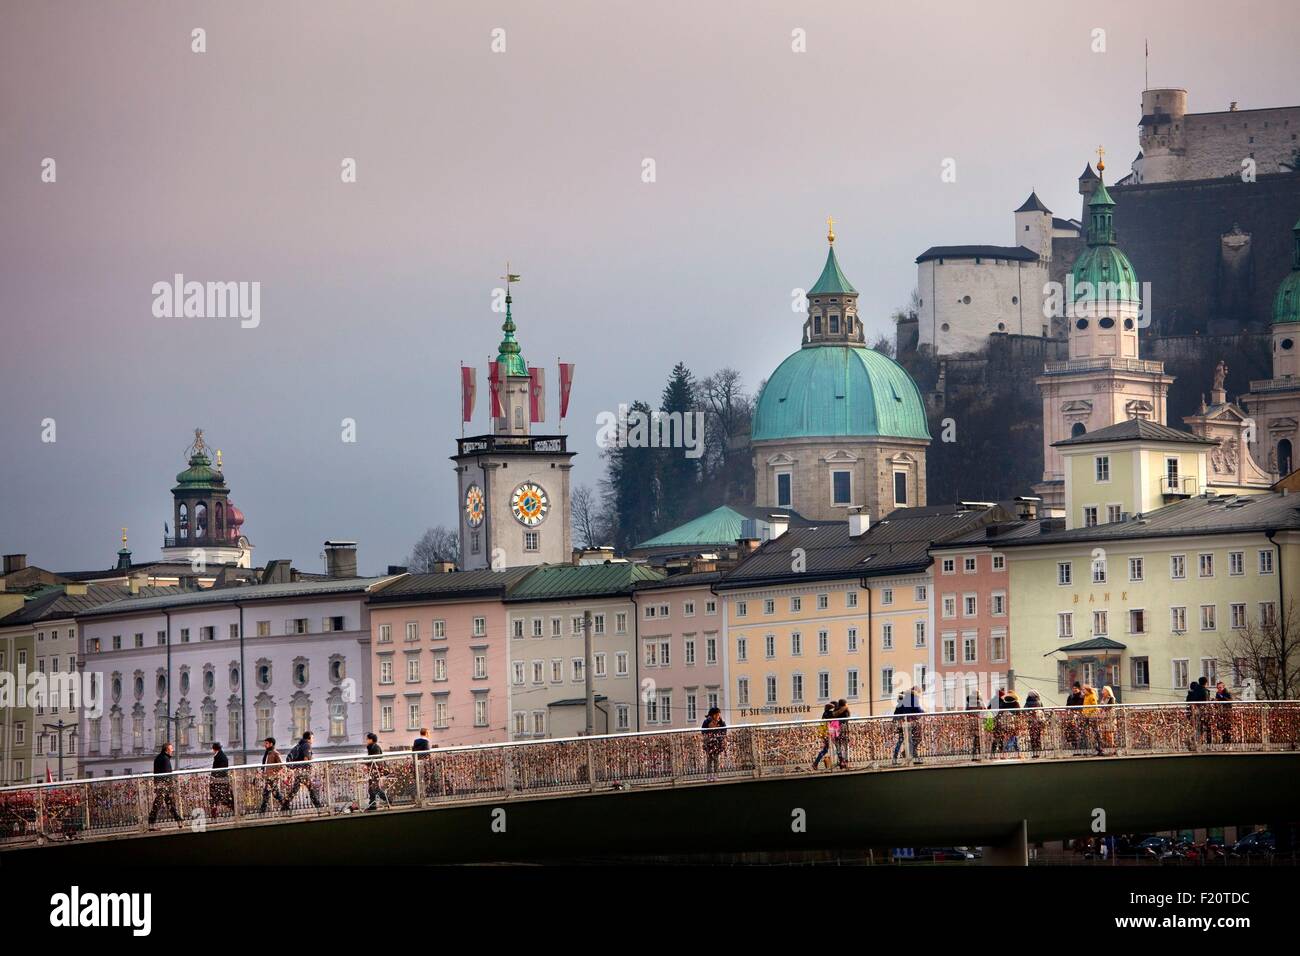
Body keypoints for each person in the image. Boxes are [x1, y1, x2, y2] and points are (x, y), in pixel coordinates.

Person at [283, 731, 324, 810]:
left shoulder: (300, 744)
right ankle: (319, 807)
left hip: (298, 770)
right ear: (309, 738)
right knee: (311, 789)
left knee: (296, 789)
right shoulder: (307, 745)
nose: (313, 740)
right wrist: (309, 768)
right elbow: (306, 758)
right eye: (312, 738)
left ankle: (284, 805)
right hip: (303, 771)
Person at [147, 742, 183, 829]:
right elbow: (167, 774)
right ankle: (151, 824)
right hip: (164, 786)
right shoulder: (165, 759)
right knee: (161, 804)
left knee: (168, 804)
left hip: (161, 785)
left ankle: (179, 821)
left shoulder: (159, 758)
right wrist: (170, 786)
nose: (172, 750)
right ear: (167, 750)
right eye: (171, 749)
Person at [363, 732, 392, 811]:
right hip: (373, 770)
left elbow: (376, 759)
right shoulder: (371, 747)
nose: (366, 740)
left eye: (367, 739)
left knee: (373, 788)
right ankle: (374, 805)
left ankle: (382, 801)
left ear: (371, 740)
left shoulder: (375, 747)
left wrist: (367, 763)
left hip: (376, 770)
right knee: (373, 788)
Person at [258, 737, 286, 813]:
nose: (265, 745)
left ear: (271, 744)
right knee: (271, 793)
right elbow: (265, 765)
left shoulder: (275, 753)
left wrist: (273, 772)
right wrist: (263, 772)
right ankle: (285, 806)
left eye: (266, 743)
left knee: (269, 793)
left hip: (272, 777)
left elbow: (281, 765)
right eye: (265, 743)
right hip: (268, 777)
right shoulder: (267, 753)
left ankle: (262, 810)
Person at [208, 741, 235, 817]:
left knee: (221, 796)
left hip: (220, 780)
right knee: (218, 796)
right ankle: (215, 809)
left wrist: (214, 778)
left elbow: (220, 770)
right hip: (220, 780)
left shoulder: (220, 756)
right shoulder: (220, 755)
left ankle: (233, 808)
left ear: (214, 749)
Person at [700, 707, 727, 781]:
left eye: (719, 714)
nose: (719, 715)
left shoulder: (720, 721)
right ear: (713, 714)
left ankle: (715, 775)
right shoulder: (706, 721)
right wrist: (709, 729)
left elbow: (724, 730)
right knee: (709, 759)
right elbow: (703, 731)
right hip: (709, 742)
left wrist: (720, 733)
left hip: (717, 742)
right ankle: (709, 775)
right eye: (717, 714)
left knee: (716, 759)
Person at [811, 703, 835, 770]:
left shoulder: (825, 713)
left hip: (824, 733)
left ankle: (815, 763)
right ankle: (816, 763)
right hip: (827, 733)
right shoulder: (829, 713)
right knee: (832, 748)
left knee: (825, 749)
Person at [831, 699, 852, 768]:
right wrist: (847, 707)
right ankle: (845, 761)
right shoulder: (845, 710)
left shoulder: (835, 710)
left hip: (836, 730)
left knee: (838, 747)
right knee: (845, 746)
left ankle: (841, 761)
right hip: (843, 729)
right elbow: (848, 716)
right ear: (845, 704)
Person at [1023, 689, 1045, 756]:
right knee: (1038, 735)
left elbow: (1024, 710)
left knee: (1032, 736)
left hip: (1031, 721)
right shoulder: (1039, 701)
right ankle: (1039, 748)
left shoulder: (1027, 702)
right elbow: (1042, 710)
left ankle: (1034, 750)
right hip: (1038, 721)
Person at [999, 689, 1021, 754]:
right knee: (1013, 736)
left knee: (1013, 737)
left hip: (1004, 722)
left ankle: (1018, 751)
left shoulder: (1004, 702)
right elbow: (1019, 713)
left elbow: (1000, 712)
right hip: (1013, 722)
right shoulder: (1016, 703)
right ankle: (1006, 749)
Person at [1082, 684, 1101, 755]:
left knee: (1095, 731)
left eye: (1084, 689)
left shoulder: (1092, 696)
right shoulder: (1086, 696)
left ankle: (1098, 746)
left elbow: (1094, 706)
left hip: (1092, 716)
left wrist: (1087, 711)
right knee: (1086, 731)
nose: (1083, 691)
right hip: (1086, 716)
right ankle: (1091, 745)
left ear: (1087, 690)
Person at [1098, 685, 1118, 754]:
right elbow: (1100, 708)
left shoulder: (1111, 698)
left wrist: (1102, 710)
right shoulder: (1103, 698)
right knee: (1104, 735)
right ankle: (1105, 749)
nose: (1102, 692)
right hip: (1104, 719)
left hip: (1110, 719)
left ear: (1107, 691)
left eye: (1103, 690)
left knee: (1109, 735)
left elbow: (1108, 708)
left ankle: (1114, 749)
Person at [966, 690, 984, 759]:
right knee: (978, 739)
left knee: (975, 739)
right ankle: (978, 754)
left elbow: (967, 712)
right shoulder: (979, 702)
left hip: (971, 723)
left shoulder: (969, 703)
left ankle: (974, 755)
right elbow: (984, 711)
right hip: (978, 722)